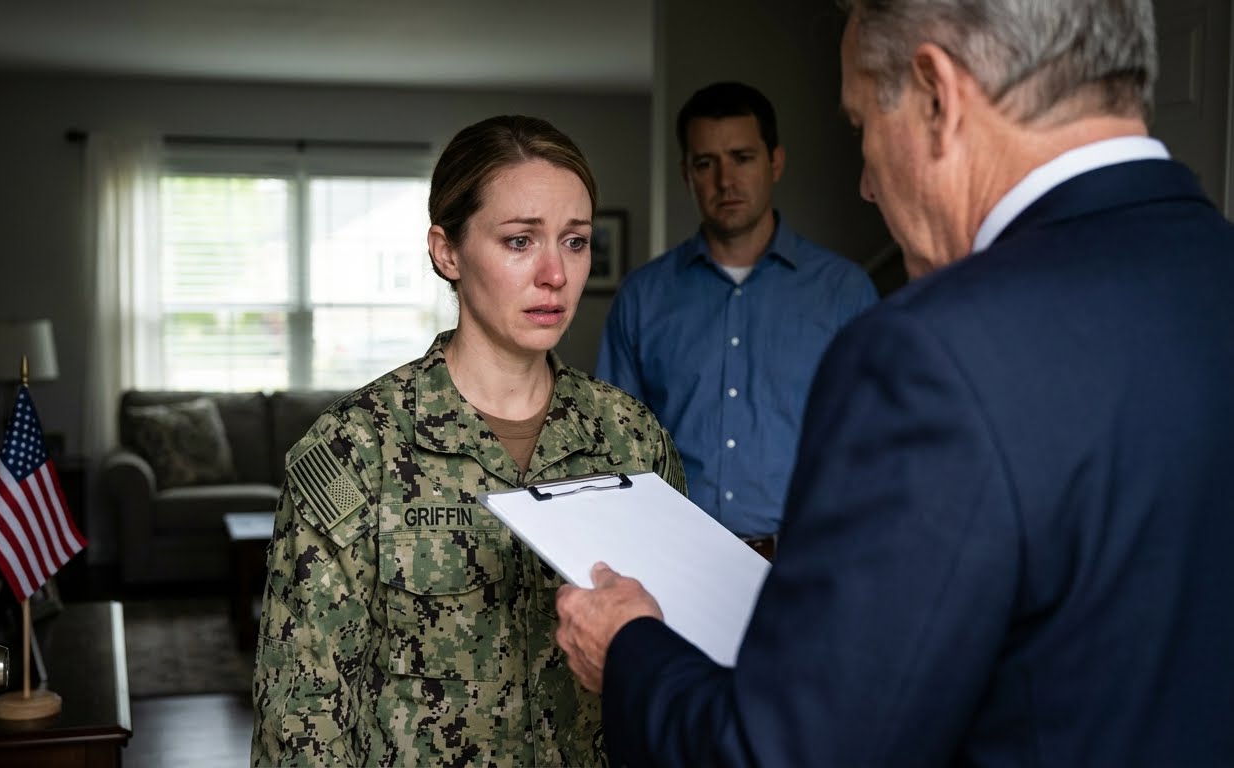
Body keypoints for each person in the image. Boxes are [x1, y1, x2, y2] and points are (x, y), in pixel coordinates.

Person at [556, 1, 1234, 766]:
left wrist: (628, 650)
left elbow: (784, 755)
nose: (868, 187)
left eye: (860, 127)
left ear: (937, 95)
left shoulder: (925, 352)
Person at [248, 114, 686, 766]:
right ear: (445, 251)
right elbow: (302, 716)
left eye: (573, 241)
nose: (554, 274)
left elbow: (680, 673)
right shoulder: (354, 450)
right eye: (518, 241)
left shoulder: (630, 440)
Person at [595, 81, 877, 560]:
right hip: (674, 564)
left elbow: (872, 445)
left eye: (743, 157)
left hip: (804, 566)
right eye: (706, 164)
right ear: (687, 173)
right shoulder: (643, 297)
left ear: (776, 162)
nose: (726, 180)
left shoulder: (845, 293)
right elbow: (610, 448)